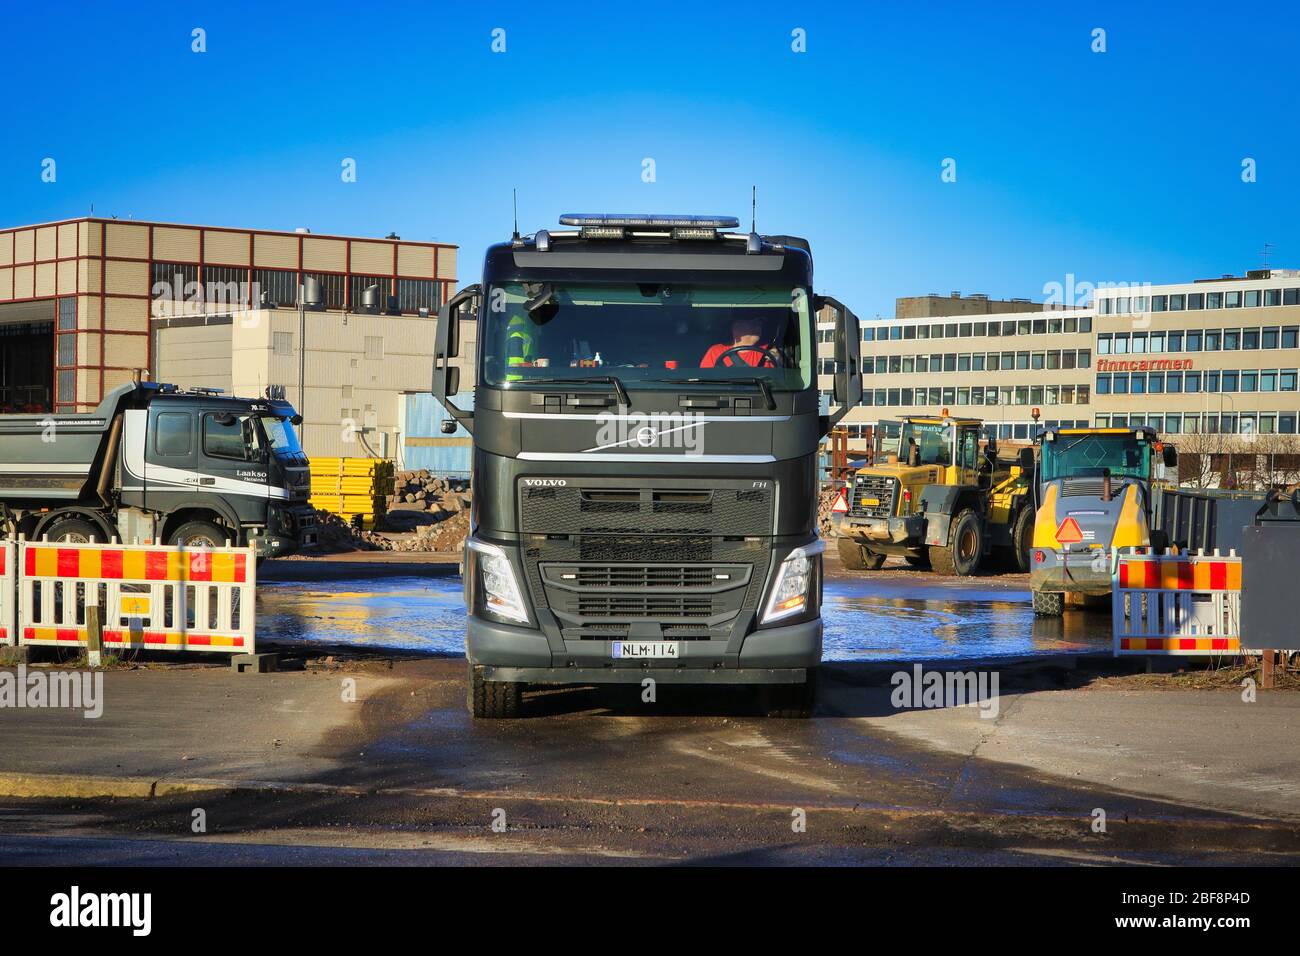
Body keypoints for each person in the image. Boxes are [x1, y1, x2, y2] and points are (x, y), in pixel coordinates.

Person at [700, 317, 773, 368]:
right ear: (736, 326)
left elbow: (778, 381)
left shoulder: (769, 351)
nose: (758, 327)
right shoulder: (715, 351)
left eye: (759, 323)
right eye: (752, 323)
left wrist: (778, 360)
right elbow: (704, 380)